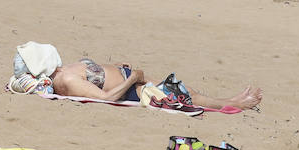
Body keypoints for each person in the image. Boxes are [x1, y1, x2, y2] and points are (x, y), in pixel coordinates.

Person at [51, 57, 261, 109]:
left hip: (131, 79)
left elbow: (99, 76)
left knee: (184, 89)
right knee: (184, 95)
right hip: (132, 89)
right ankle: (233, 104)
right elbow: (107, 97)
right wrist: (132, 78)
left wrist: (115, 66)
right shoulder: (67, 79)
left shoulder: (64, 69)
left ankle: (230, 100)